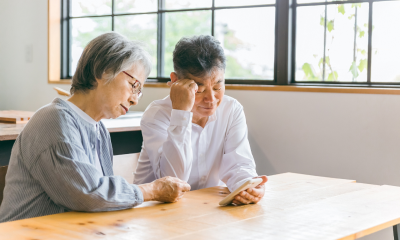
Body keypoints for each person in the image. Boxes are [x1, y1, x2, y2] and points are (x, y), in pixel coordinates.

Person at [0, 32, 190, 223]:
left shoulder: (99, 130)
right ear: (103, 71)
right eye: (134, 85)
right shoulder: (53, 120)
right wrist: (153, 190)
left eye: (139, 91)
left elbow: (103, 202)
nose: (134, 99)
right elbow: (89, 195)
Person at [134, 35, 267, 205]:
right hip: (155, 210)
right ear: (175, 81)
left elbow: (239, 165)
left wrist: (248, 186)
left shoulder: (231, 109)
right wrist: (181, 112)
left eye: (218, 87)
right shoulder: (157, 115)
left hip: (206, 207)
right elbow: (174, 180)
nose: (211, 99)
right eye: (199, 90)